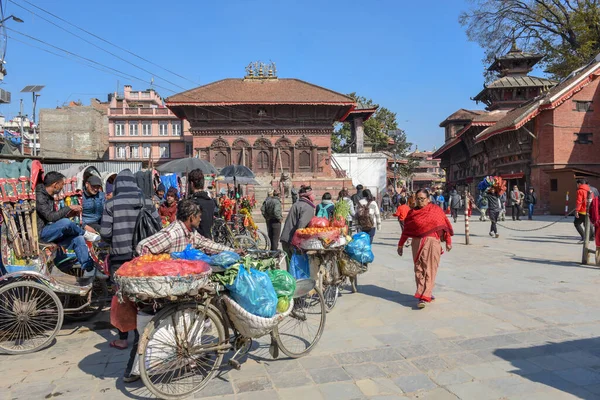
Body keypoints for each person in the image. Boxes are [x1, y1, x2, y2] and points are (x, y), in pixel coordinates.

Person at [100, 169, 159, 354]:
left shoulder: (110, 204)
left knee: (122, 297)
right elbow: (158, 228)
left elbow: (105, 233)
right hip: (143, 258)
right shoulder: (147, 202)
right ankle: (147, 334)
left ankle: (123, 338)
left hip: (120, 258)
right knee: (145, 295)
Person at [36, 171, 100, 279]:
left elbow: (53, 217)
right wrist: (69, 207)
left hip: (51, 230)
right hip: (41, 233)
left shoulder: (49, 196)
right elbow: (50, 217)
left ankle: (88, 268)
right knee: (66, 223)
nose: (62, 187)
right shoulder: (40, 196)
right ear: (55, 184)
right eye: (62, 184)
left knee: (78, 239)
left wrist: (68, 213)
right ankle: (85, 233)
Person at [397, 189, 453, 309]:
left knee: (430, 269)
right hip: (417, 244)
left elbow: (445, 226)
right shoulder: (412, 213)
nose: (420, 201)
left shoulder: (435, 210)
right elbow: (406, 230)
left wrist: (448, 241)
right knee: (419, 269)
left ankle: (425, 295)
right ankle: (422, 291)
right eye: (418, 199)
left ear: (428, 199)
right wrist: (400, 244)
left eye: (422, 199)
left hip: (432, 243)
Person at [280, 186, 316, 260]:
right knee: (298, 268)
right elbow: (301, 226)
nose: (314, 196)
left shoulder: (297, 204)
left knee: (290, 268)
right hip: (294, 242)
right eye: (312, 194)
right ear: (308, 196)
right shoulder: (308, 207)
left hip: (286, 239)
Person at [188, 169, 218, 239]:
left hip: (195, 242)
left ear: (192, 184)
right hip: (208, 240)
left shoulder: (191, 203)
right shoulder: (211, 202)